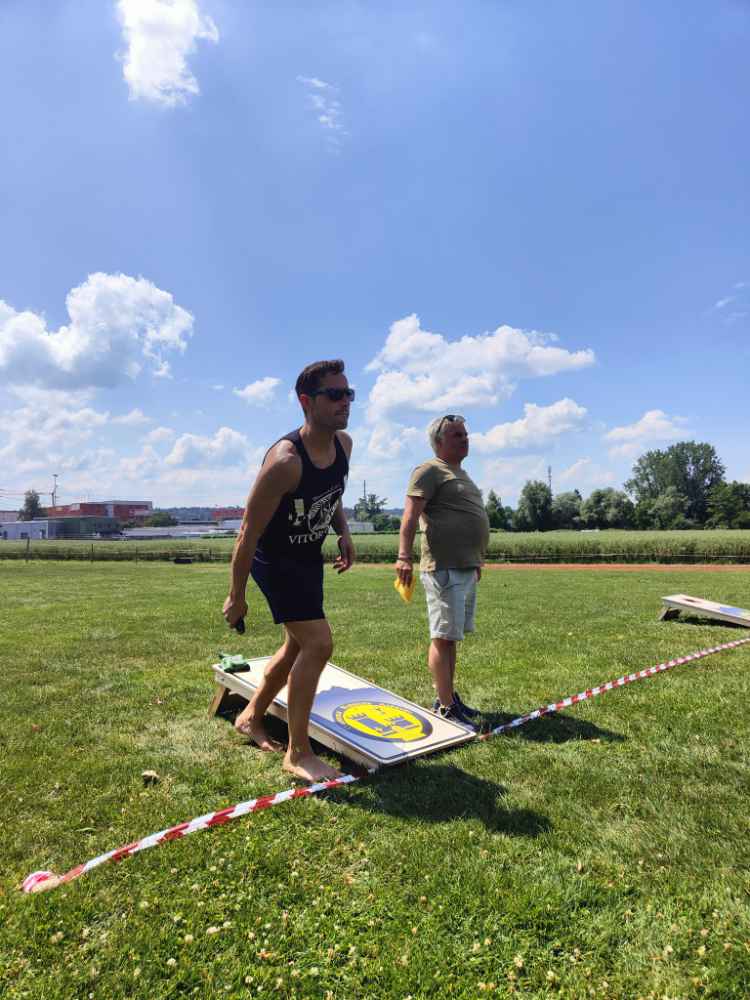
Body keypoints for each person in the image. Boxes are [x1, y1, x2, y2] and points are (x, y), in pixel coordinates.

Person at [222, 359, 355, 782]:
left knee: (296, 647)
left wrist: (343, 532)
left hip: (307, 557)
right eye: (334, 394)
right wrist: (236, 596)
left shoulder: (343, 445)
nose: (345, 402)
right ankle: (298, 753)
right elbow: (247, 533)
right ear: (306, 402)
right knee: (318, 643)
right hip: (274, 561)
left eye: (348, 394)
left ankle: (250, 716)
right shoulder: (285, 462)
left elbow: (331, 493)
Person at [395, 415, 489, 728]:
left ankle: (448, 697)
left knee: (451, 638)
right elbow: (410, 517)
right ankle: (446, 708)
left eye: (465, 434)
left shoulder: (460, 473)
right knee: (442, 637)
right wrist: (404, 556)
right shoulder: (429, 470)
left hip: (464, 566)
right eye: (457, 435)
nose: (465, 439)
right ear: (439, 442)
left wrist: (476, 559)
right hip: (443, 568)